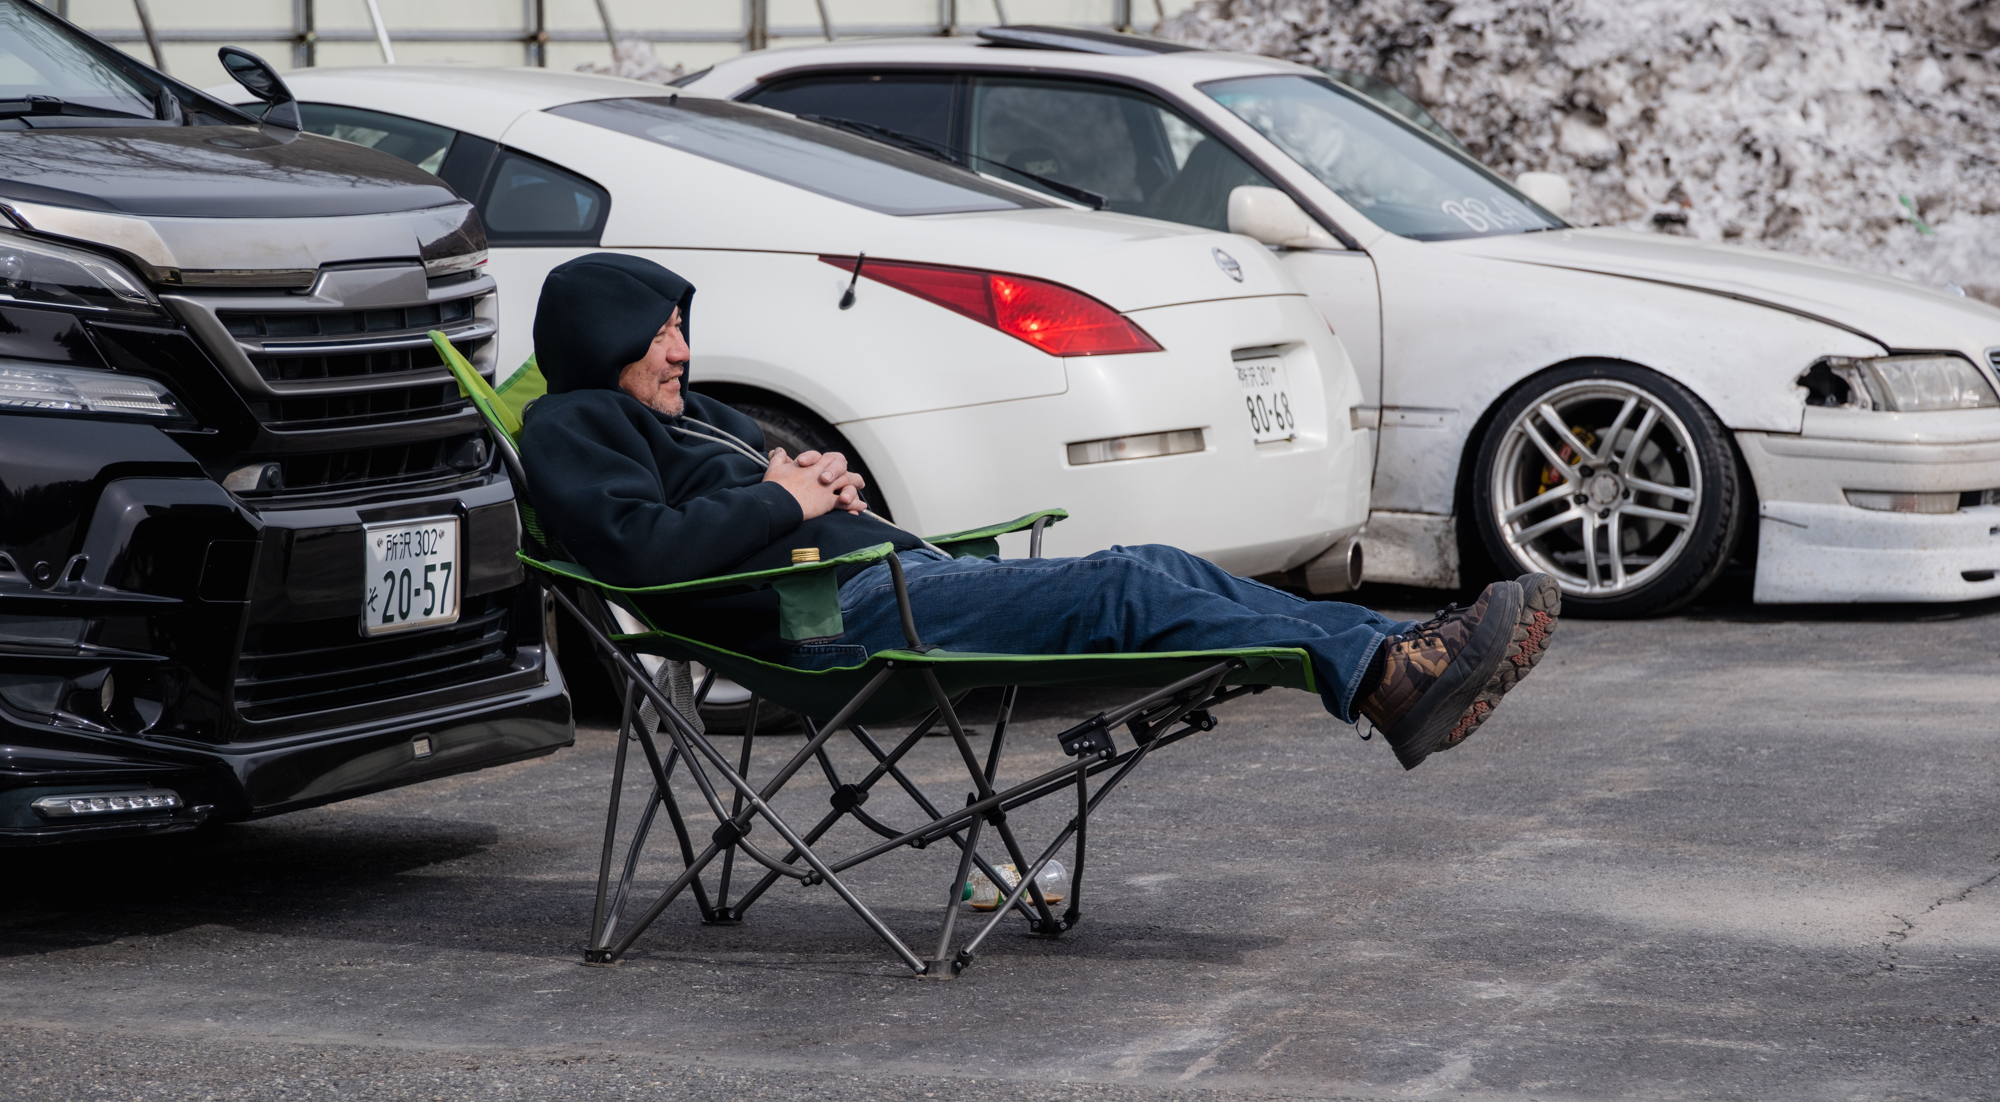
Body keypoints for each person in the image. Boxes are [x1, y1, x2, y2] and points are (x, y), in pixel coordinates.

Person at [520, 253, 1558, 770]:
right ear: (601, 333)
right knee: (1121, 586)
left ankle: (1394, 658)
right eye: (660, 331)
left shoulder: (685, 412)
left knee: (1154, 562)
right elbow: (642, 553)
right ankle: (1387, 673)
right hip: (830, 625)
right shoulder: (573, 425)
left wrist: (816, 481)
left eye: (681, 327)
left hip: (888, 583)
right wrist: (781, 498)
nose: (682, 350)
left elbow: (760, 486)